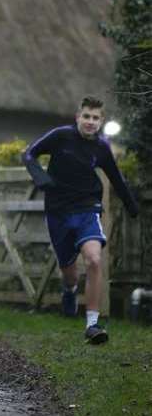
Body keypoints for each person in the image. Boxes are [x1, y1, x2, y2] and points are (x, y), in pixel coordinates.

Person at [22, 96, 138, 344]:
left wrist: (131, 206)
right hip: (57, 212)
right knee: (69, 271)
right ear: (78, 117)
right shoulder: (61, 136)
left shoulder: (102, 148)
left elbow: (116, 179)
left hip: (87, 209)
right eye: (86, 116)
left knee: (94, 260)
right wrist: (40, 177)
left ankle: (93, 324)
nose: (90, 122)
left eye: (96, 118)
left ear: (101, 122)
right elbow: (29, 154)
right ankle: (69, 290)